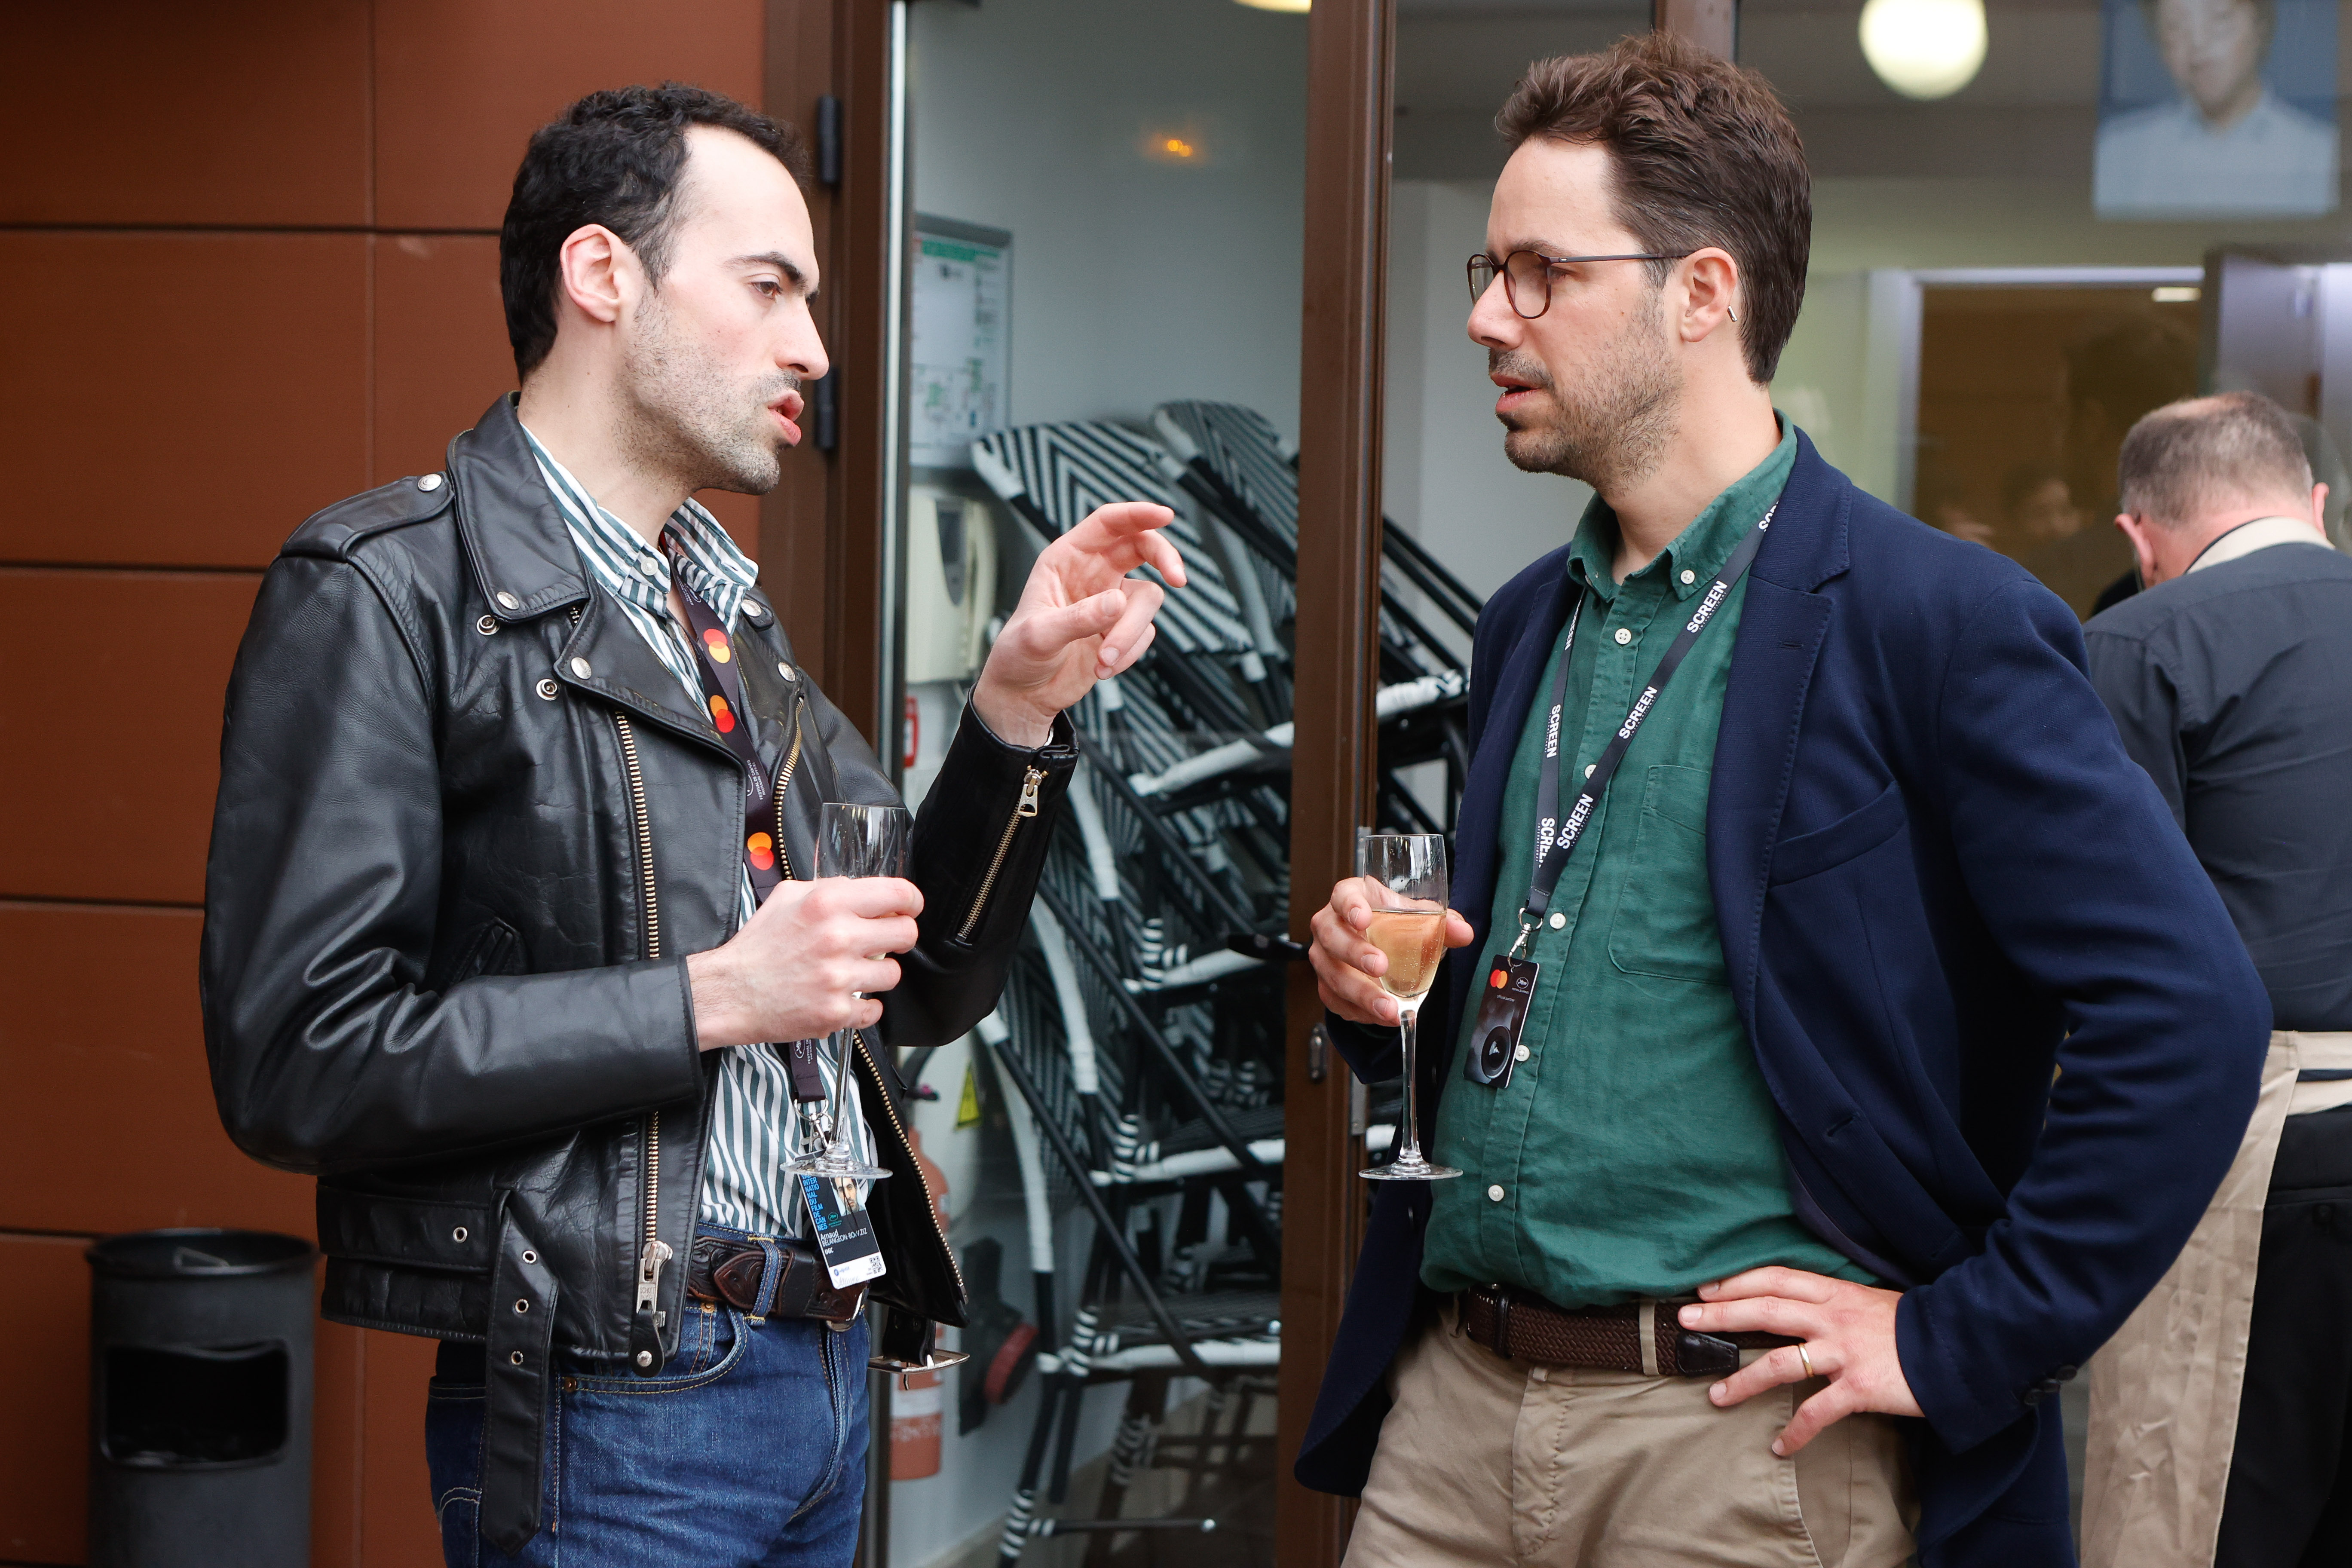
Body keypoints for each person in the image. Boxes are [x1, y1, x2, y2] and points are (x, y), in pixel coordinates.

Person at [1295, 33, 2271, 1568]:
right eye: (1488, 268)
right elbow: (1523, 1000)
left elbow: (2188, 1008)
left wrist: (1960, 1336)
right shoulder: (1521, 622)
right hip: (1448, 1418)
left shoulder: (1932, 620)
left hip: (1738, 1447)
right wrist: (1378, 994)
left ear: (1702, 293)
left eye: (1541, 271)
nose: (1487, 313)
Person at [199, 86, 1182, 1565]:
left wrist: (1015, 710)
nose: (815, 350)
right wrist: (712, 996)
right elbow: (299, 1059)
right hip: (616, 1398)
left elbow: (916, 982)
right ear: (603, 276)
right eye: (770, 287)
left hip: (824, 1371)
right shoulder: (384, 588)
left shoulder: (724, 618)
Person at [2078, 391, 2352, 1568]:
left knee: (2221, 1521)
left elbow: (2104, 938)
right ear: (2318, 502)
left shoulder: (2144, 642)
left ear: (2139, 540)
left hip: (2262, 1147)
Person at [2095, 0, 2337, 218]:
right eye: (2176, 27)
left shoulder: (2321, 153)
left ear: (2260, 25)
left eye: (2220, 19)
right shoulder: (2118, 152)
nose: (2199, 50)